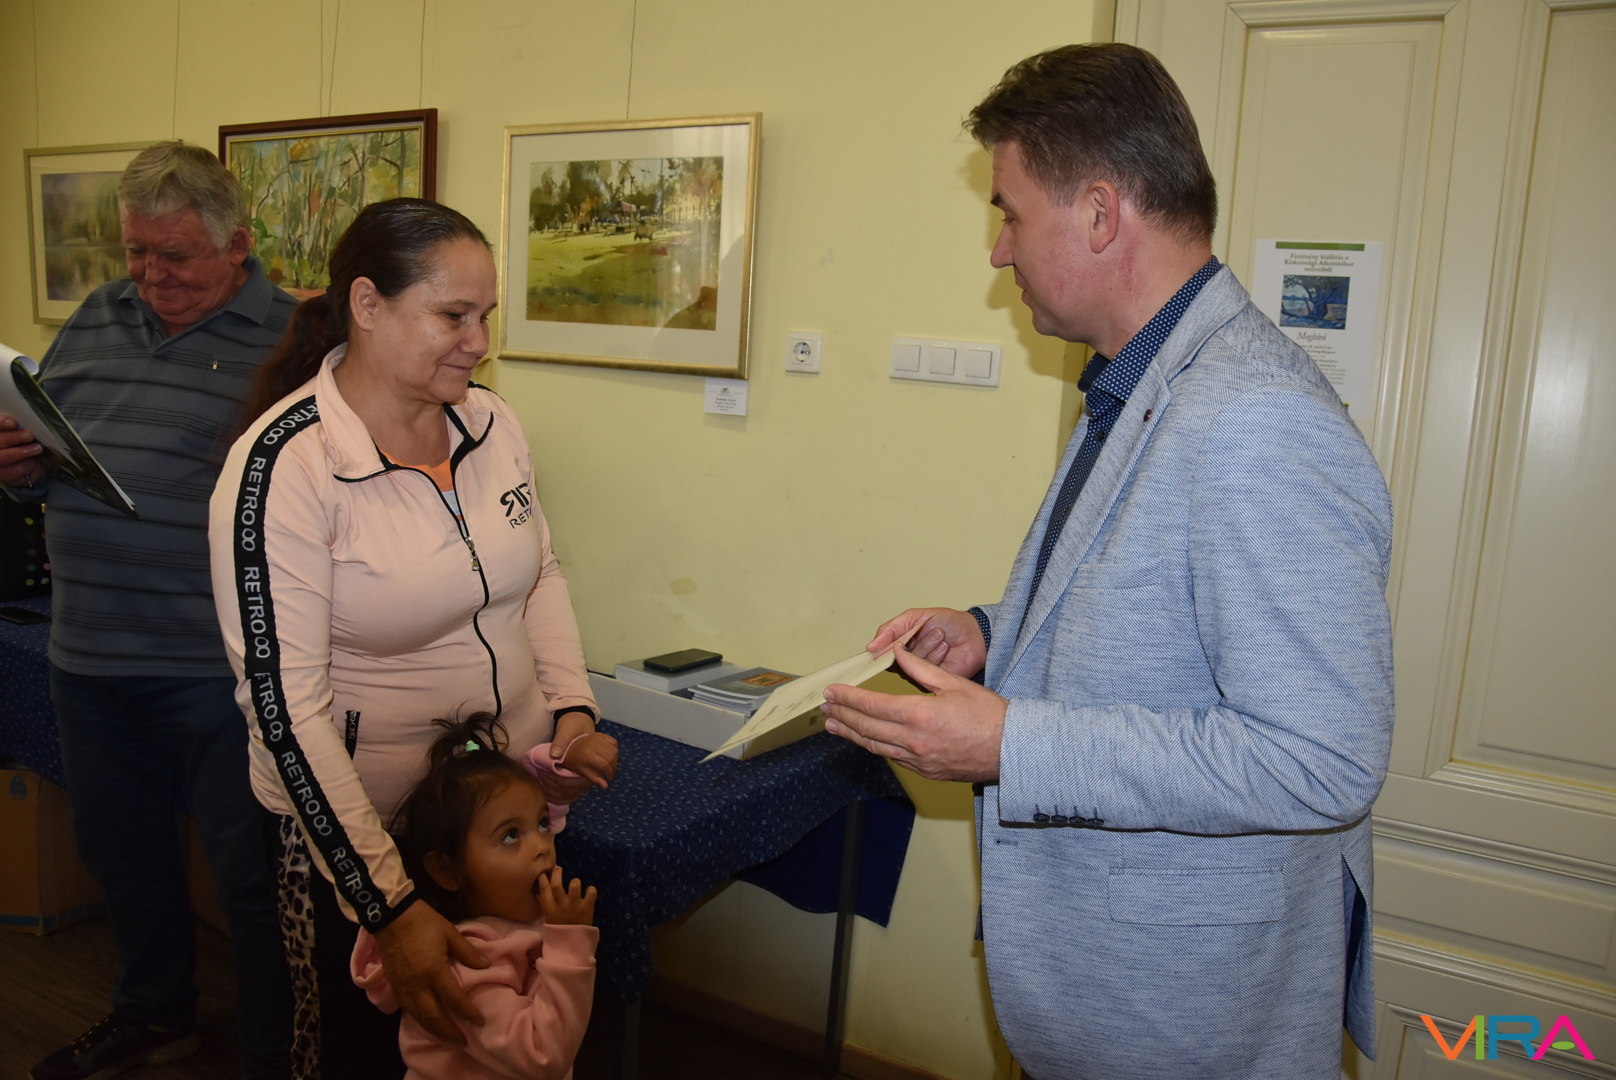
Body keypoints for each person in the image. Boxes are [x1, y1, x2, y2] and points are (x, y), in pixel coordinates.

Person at [819, 44, 1393, 1080]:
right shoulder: (1143, 376)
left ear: (1096, 213)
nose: (999, 252)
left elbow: (1320, 760)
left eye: (1009, 213)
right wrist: (988, 634)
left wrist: (1012, 745)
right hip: (1110, 995)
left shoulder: (1253, 417)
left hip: (1186, 1020)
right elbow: (1151, 607)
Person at [208, 197, 619, 1080]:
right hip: (365, 833)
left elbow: (539, 574)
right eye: (453, 316)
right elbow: (286, 712)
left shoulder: (492, 423)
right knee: (357, 1055)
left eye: (486, 317)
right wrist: (387, 903)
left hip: (494, 811)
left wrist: (572, 712)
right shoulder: (285, 467)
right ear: (366, 304)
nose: (478, 342)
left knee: (495, 1043)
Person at [0, 142, 294, 1080]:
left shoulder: (295, 337)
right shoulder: (97, 313)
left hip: (221, 670)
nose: (149, 275)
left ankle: (278, 1053)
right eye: (135, 251)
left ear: (237, 245)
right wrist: (17, 470)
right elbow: (47, 453)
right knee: (122, 858)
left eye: (174, 255)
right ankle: (155, 1016)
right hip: (88, 653)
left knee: (252, 882)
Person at [352, 713, 599, 1080]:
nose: (542, 846)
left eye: (542, 824)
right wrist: (570, 947)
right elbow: (542, 1056)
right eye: (510, 835)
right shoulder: (467, 962)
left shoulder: (520, 918)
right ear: (447, 870)